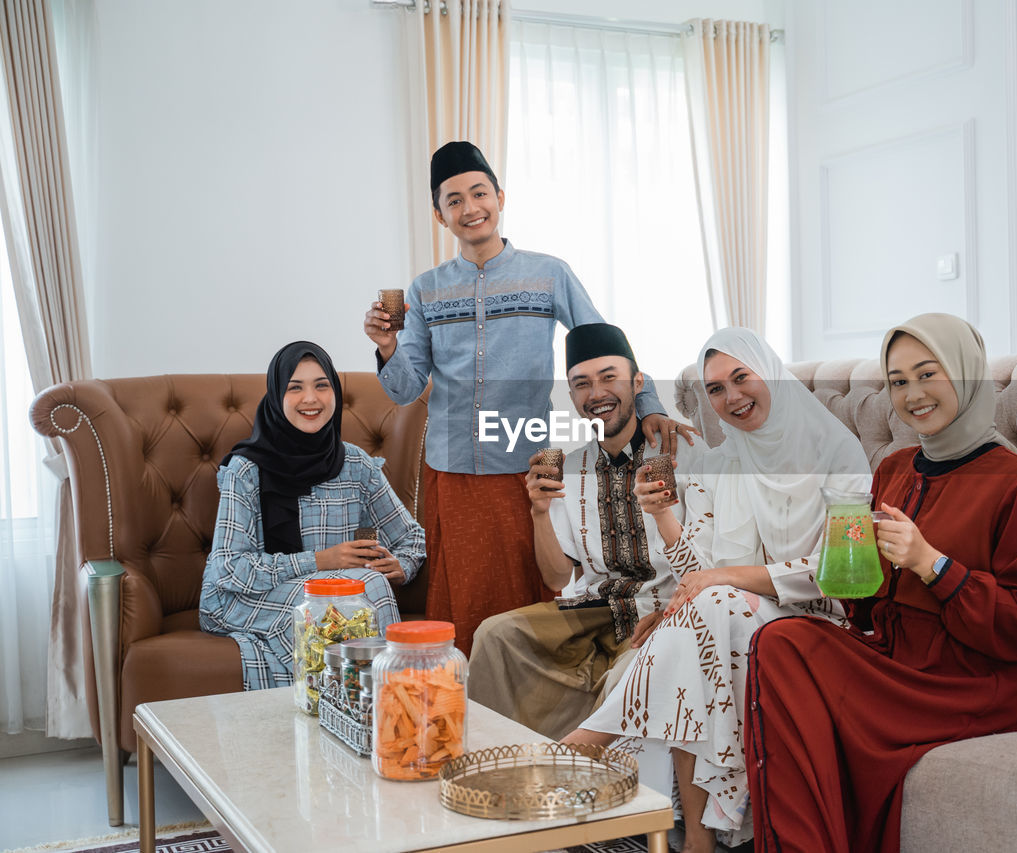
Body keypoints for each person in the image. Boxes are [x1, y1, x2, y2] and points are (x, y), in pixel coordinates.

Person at [744, 313, 1017, 853]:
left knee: (787, 654)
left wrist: (932, 564)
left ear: (964, 373)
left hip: (968, 683)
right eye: (897, 381)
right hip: (895, 661)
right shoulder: (894, 467)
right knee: (779, 642)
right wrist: (847, 560)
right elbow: (863, 605)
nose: (913, 394)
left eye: (927, 374)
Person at [364, 141, 692, 654]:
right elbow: (405, 387)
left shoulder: (548, 273)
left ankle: (527, 718)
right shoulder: (425, 289)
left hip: (524, 464)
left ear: (499, 196)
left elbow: (604, 342)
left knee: (529, 596)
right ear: (439, 214)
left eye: (479, 193)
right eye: (454, 200)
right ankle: (465, 713)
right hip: (451, 468)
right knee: (463, 607)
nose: (470, 208)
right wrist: (387, 346)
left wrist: (649, 407)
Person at [562, 327, 873, 852]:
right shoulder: (728, 461)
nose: (732, 398)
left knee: (711, 607)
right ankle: (699, 842)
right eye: (715, 389)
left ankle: (584, 744)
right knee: (700, 624)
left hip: (825, 623)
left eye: (741, 378)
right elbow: (701, 570)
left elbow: (835, 574)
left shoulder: (836, 450)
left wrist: (718, 582)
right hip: (738, 613)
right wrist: (661, 516)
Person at [469, 323, 707, 739]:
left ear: (638, 382)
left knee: (629, 673)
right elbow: (558, 578)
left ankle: (576, 761)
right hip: (594, 610)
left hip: (664, 607)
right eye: (582, 383)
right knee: (495, 634)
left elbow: (707, 564)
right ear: (572, 394)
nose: (596, 393)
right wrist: (539, 512)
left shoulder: (683, 454)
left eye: (609, 377)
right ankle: (499, 753)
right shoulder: (571, 467)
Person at [200, 341, 426, 689]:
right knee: (336, 606)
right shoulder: (245, 470)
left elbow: (411, 536)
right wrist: (321, 560)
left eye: (322, 385)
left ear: (334, 392)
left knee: (364, 590)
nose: (311, 399)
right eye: (295, 388)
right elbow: (229, 569)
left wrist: (403, 565)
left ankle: (379, 708)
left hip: (337, 597)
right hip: (245, 597)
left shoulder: (356, 465)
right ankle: (388, 706)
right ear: (277, 397)